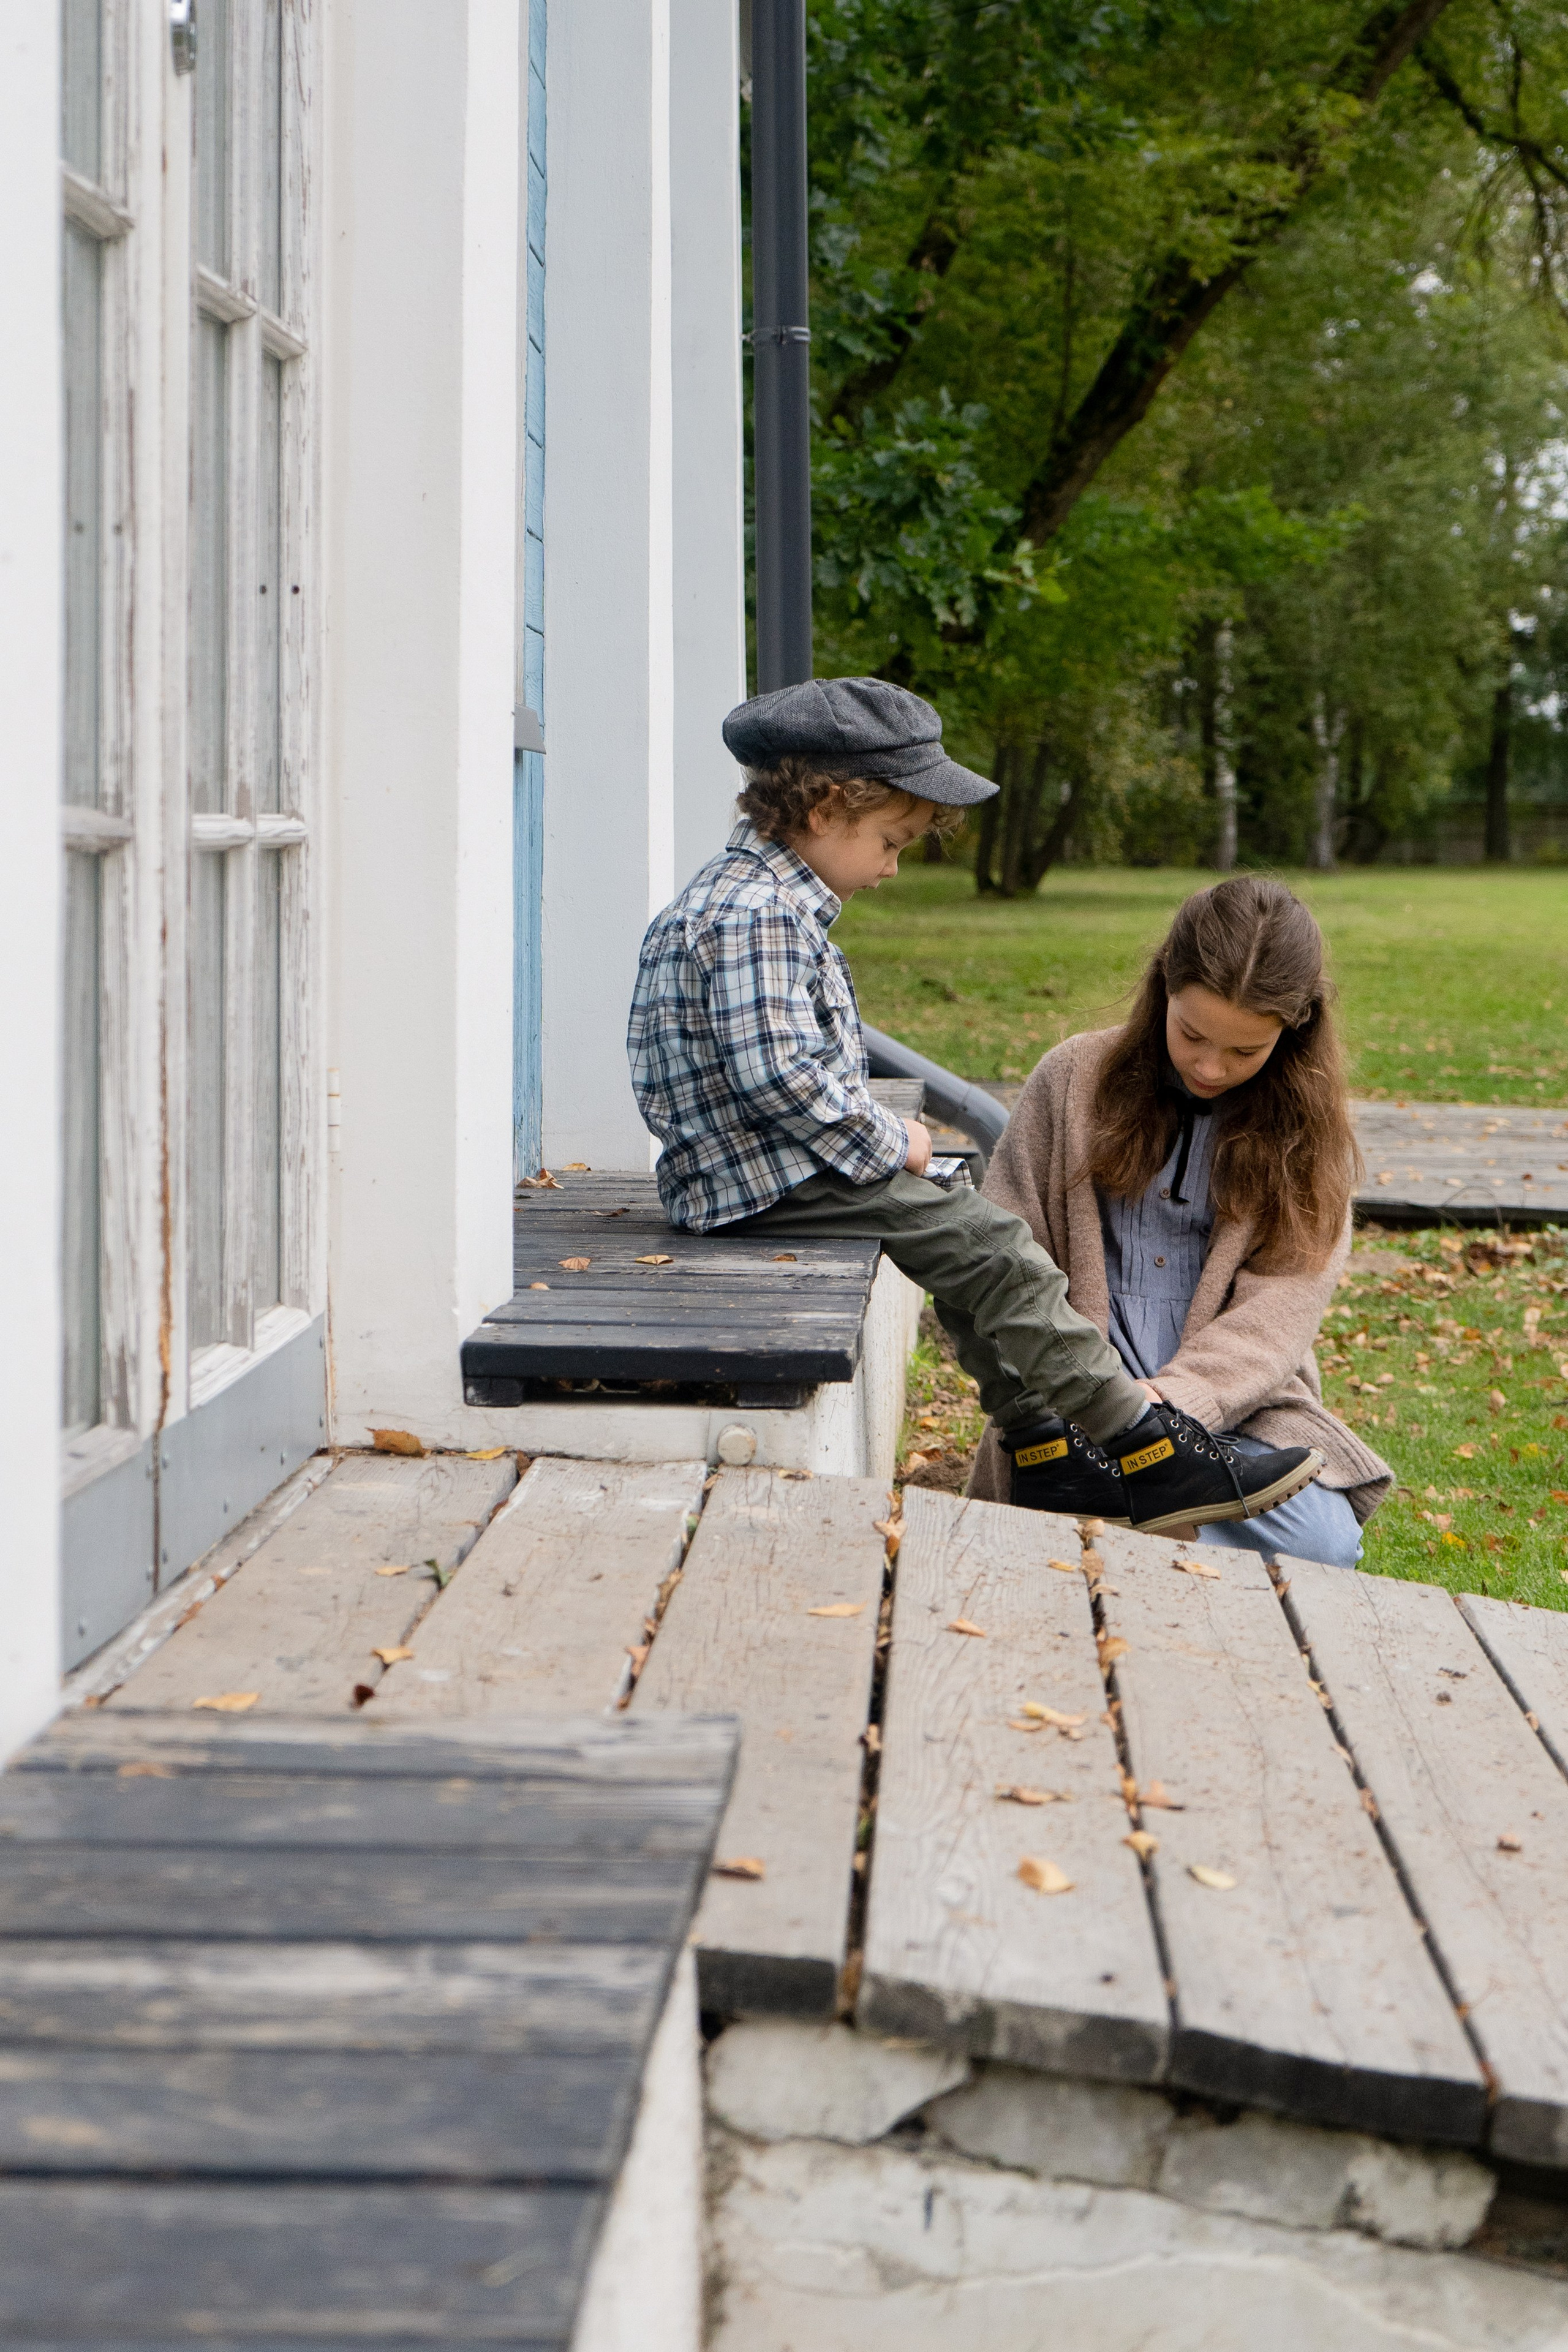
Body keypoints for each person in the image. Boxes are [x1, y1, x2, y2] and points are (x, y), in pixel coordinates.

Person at [627, 676, 1324, 1534]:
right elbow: (785, 1082)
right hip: (765, 1180)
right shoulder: (756, 917)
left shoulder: (747, 903)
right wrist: (894, 1140)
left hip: (757, 1173)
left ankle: (1042, 1450)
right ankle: (1144, 1444)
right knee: (993, 1246)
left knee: (964, 1251)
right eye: (891, 840)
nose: (890, 867)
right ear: (827, 808)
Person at [965, 875, 1393, 1564]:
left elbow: (1277, 1317)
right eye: (1191, 1034)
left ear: (1295, 1029)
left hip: (1234, 1408)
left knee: (1323, 1542)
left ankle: (1114, 1524)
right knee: (1049, 1495)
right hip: (1077, 1406)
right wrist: (1091, 1399)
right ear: (1164, 982)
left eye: (1244, 1051)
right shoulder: (1072, 1078)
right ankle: (1123, 1514)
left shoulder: (1309, 1141)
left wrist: (1174, 1402)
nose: (1209, 1066)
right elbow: (1005, 1255)